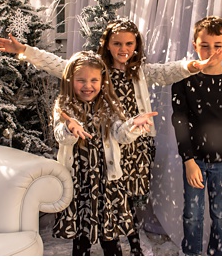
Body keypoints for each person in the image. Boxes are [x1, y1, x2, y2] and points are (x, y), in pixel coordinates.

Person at [0, 22, 222, 255]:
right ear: (107, 44)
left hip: (133, 140)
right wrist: (25, 50)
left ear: (136, 45)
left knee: (127, 197)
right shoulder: (97, 69)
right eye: (117, 43)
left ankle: (133, 245)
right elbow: (61, 66)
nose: (123, 48)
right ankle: (101, 240)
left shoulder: (139, 70)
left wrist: (196, 65)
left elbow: (168, 71)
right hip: (104, 142)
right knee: (106, 195)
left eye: (129, 43)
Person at [51, 51, 156, 255]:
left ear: (103, 81)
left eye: (93, 80)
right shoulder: (64, 108)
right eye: (81, 80)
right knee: (82, 238)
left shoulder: (108, 105)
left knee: (110, 237)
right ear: (70, 80)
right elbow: (59, 136)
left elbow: (119, 134)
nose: (87, 86)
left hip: (106, 181)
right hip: (80, 182)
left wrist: (133, 125)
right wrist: (69, 128)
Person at [171, 16, 222, 256]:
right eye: (205, 45)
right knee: (192, 216)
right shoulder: (184, 80)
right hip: (194, 161)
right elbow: (180, 122)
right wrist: (188, 161)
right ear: (195, 45)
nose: (211, 51)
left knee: (221, 216)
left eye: (218, 46)